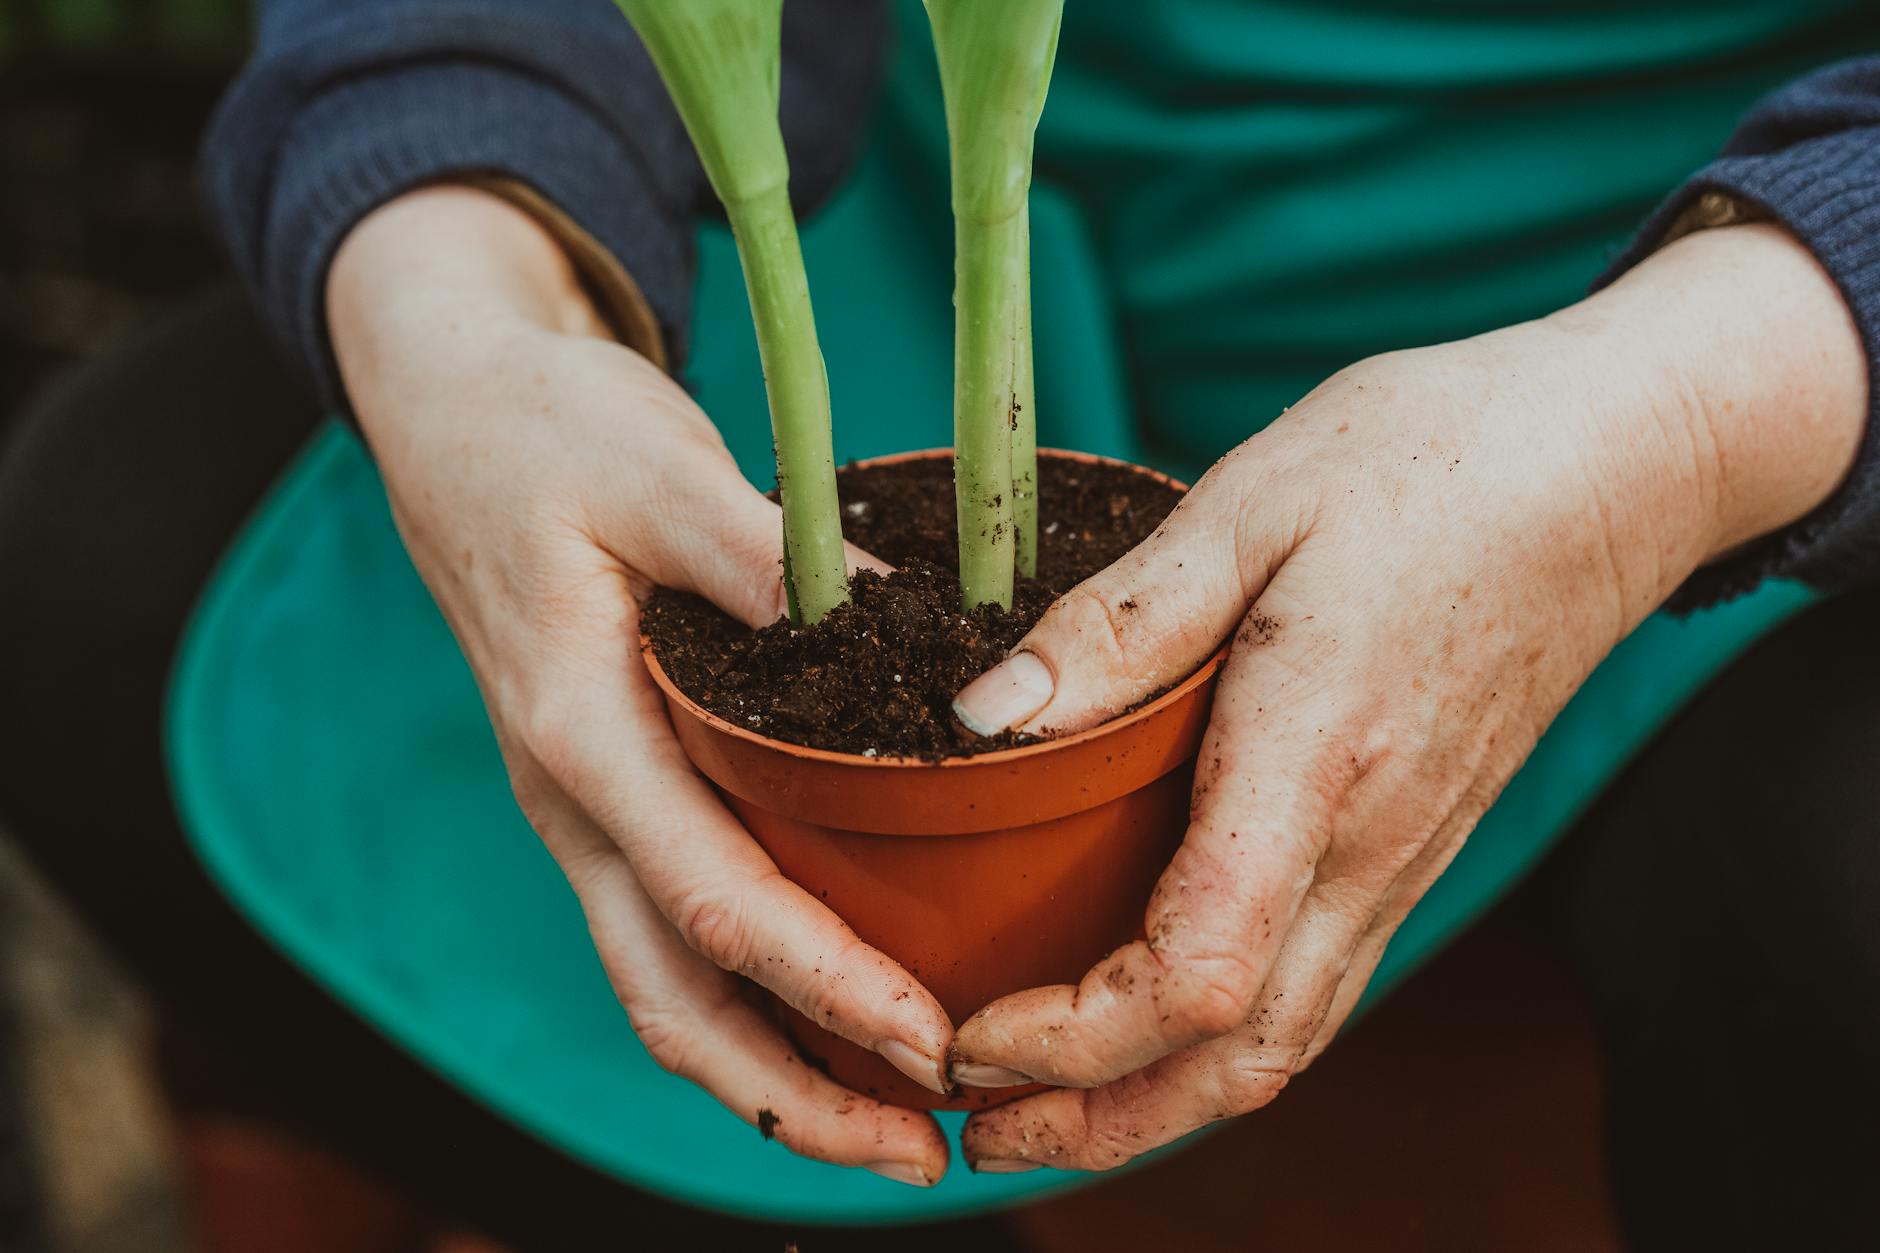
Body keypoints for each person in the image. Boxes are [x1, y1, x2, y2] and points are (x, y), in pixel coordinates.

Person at [2, 0, 1877, 1247]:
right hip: (906, 202)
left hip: (1725, 306)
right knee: (104, 580)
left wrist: (1685, 423)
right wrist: (462, 309)